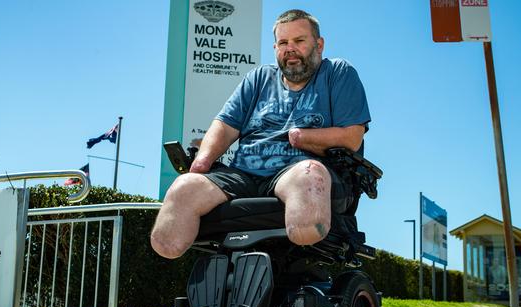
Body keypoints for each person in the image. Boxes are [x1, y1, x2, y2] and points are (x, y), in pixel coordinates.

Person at [151, 9, 371, 259]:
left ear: (319, 45)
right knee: (184, 189)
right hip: (244, 175)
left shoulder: (338, 73)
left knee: (309, 175)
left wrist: (302, 138)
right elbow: (225, 125)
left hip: (297, 171)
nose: (290, 49)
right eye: (283, 43)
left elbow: (351, 138)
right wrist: (203, 161)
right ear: (275, 47)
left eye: (299, 41)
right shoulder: (258, 78)